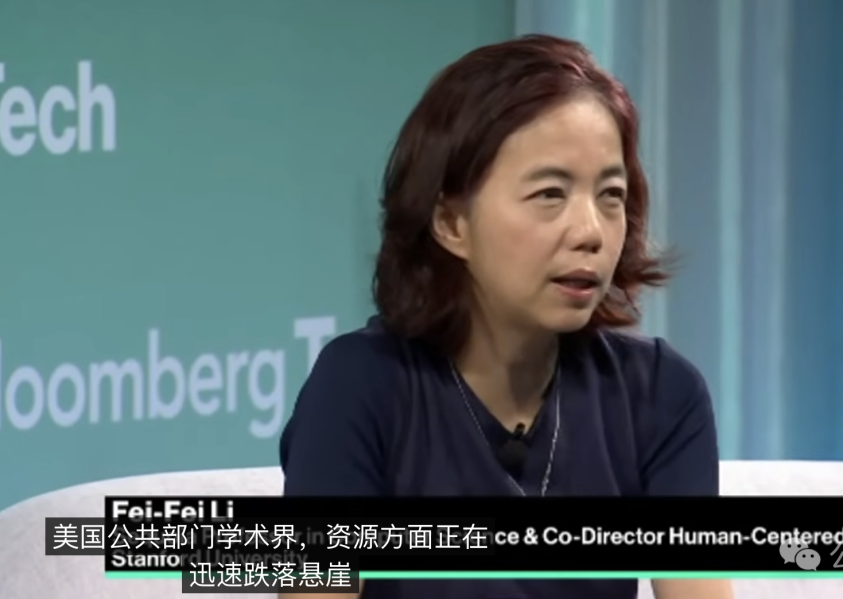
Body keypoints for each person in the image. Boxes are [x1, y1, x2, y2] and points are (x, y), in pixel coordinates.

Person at [279, 34, 733, 599]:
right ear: (452, 223)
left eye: (611, 196)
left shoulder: (663, 395)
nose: (591, 232)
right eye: (550, 194)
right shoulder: (357, 386)